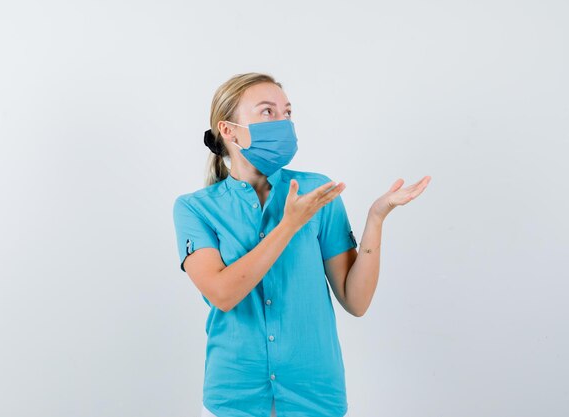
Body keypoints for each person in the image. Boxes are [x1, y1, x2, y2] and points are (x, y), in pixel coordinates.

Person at [172, 72, 431, 417]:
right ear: (229, 130)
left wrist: (375, 219)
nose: (283, 122)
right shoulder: (195, 208)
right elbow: (222, 293)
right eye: (267, 112)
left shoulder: (318, 193)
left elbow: (356, 301)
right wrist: (290, 224)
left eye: (287, 112)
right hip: (234, 399)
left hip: (316, 396)